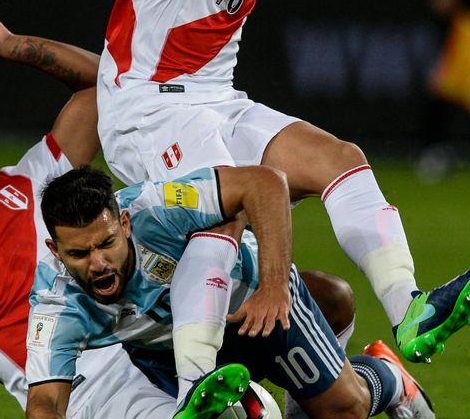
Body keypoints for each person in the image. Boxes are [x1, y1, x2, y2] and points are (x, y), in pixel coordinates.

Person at [95, 0, 470, 388]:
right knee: (224, 215)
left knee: (340, 160)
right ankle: (194, 384)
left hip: (213, 96)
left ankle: (409, 309)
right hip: (148, 107)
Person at [0, 0, 185, 418]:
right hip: (91, 391)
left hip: (155, 333)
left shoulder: (39, 174)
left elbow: (110, 87)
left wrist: (10, 45)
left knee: (298, 291)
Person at [26, 165, 436, 419]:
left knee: (344, 412)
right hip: (168, 357)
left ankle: (392, 378)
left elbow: (264, 183)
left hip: (253, 308)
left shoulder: (157, 206)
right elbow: (44, 404)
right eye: (79, 253)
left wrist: (275, 286)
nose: (97, 263)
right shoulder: (54, 304)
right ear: (54, 250)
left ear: (126, 223)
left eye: (106, 244)